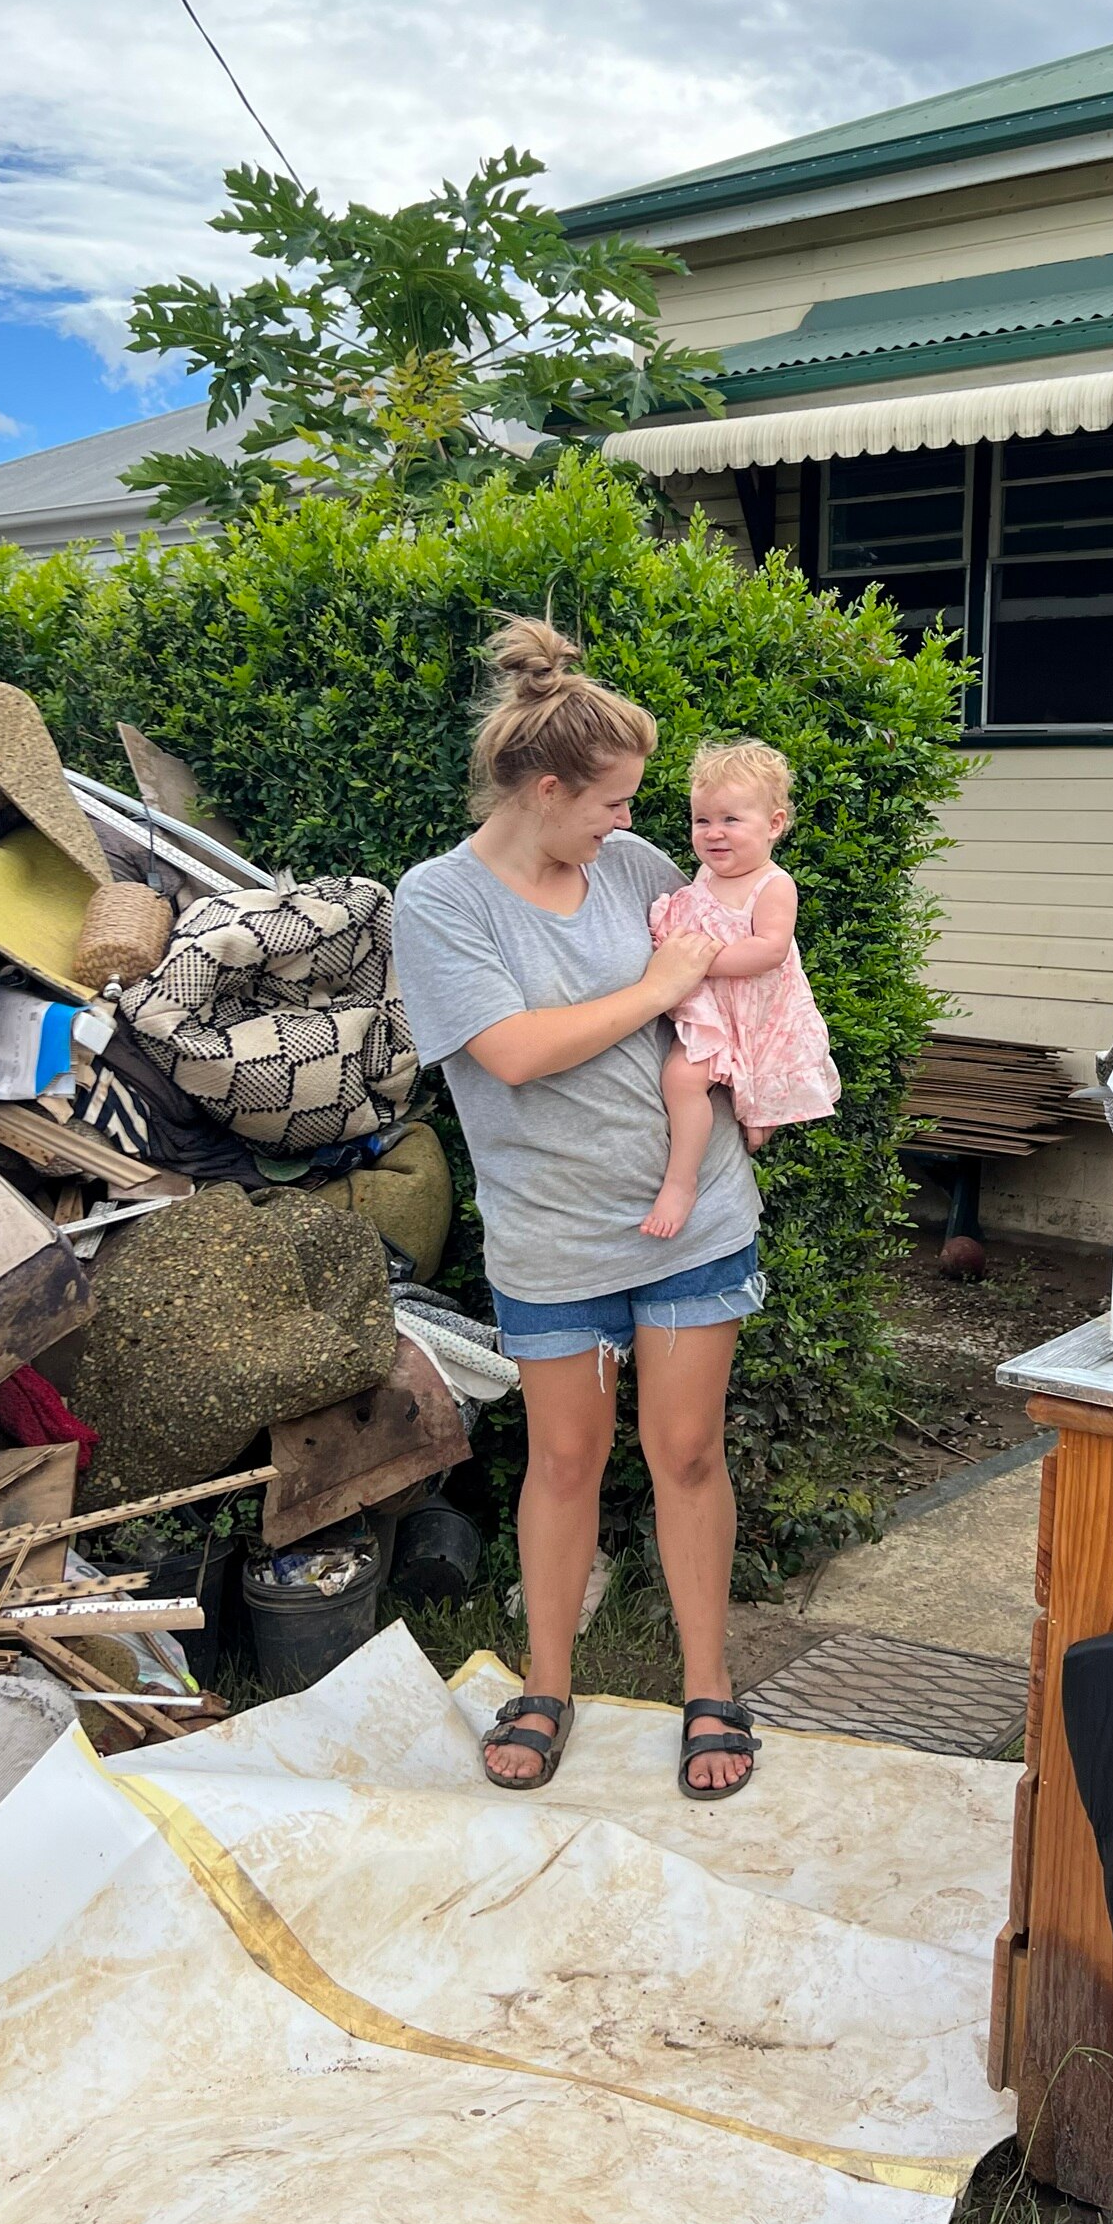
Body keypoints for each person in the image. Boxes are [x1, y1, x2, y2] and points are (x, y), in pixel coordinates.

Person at [391, 618, 764, 1800]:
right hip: (552, 1235)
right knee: (561, 1459)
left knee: (687, 1452)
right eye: (609, 801)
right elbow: (508, 1052)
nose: (629, 822)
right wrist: (656, 984)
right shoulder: (441, 901)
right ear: (545, 788)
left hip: (692, 1215)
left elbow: (727, 977)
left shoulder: (638, 868)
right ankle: (545, 1682)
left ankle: (709, 1684)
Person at [642, 740, 840, 1240]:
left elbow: (770, 951)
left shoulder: (773, 885)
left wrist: (695, 963)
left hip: (756, 1013)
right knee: (687, 1081)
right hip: (715, 1007)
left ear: (773, 825)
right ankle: (697, 1165)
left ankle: (682, 1180)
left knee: (703, 1081)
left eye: (731, 820)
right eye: (702, 820)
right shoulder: (708, 874)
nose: (713, 834)